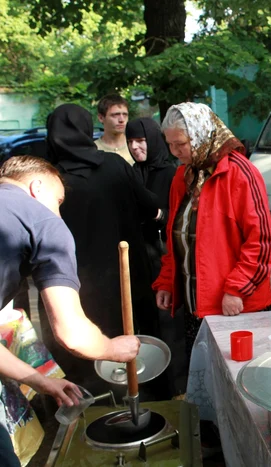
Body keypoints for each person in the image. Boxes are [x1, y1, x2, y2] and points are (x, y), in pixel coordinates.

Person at [0, 155, 140, 466]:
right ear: (37, 187)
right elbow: (73, 334)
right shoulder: (42, 220)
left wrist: (42, 381)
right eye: (58, 200)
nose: (58, 211)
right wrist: (113, 348)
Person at [46, 104, 160, 394]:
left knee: (87, 341)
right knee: (134, 336)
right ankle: (147, 396)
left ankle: (91, 402)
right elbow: (149, 206)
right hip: (126, 273)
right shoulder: (114, 165)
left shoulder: (51, 178)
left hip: (77, 282)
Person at [154, 103, 271, 362]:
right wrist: (167, 281)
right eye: (170, 145)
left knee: (239, 379)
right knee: (205, 378)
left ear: (201, 135)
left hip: (235, 305)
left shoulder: (240, 173)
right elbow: (176, 235)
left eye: (181, 144)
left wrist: (236, 289)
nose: (175, 152)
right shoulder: (183, 175)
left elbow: (261, 242)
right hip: (196, 304)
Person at [125, 117, 182, 394]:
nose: (136, 147)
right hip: (141, 257)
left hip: (166, 256)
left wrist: (159, 216)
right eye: (131, 141)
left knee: (169, 323)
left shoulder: (172, 174)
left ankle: (175, 384)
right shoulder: (133, 172)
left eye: (141, 140)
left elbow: (181, 219)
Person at [95, 94, 134, 165]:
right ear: (101, 118)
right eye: (115, 115)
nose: (122, 120)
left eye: (125, 115)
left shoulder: (136, 147)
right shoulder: (93, 149)